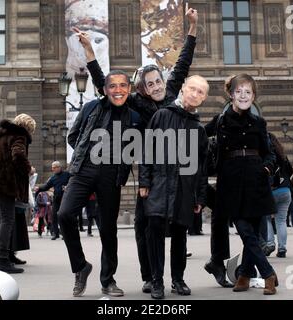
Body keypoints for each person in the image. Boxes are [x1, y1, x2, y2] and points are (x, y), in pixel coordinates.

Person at [76, 5, 199, 294]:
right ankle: (150, 277)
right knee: (146, 224)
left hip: (178, 167)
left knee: (179, 226)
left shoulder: (171, 95)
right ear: (142, 88)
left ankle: (177, 278)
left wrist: (192, 28)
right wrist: (90, 54)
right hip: (150, 172)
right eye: (150, 83)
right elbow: (104, 84)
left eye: (158, 81)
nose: (156, 86)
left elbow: (183, 62)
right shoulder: (135, 103)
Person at [58, 70, 141, 297]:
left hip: (111, 175)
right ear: (105, 90)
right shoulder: (90, 108)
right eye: (112, 86)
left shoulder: (134, 117)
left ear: (129, 89)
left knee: (108, 229)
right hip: (84, 170)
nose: (118, 90)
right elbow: (73, 136)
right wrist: (88, 153)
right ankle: (81, 267)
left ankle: (108, 280)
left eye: (123, 85)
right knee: (64, 215)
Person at [205, 74, 278, 295]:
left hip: (256, 181)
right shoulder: (220, 121)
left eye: (248, 92)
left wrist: (266, 168)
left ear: (253, 96)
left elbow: (270, 154)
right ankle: (268, 273)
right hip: (230, 181)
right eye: (239, 91)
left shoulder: (258, 122)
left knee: (252, 233)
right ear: (231, 94)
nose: (243, 95)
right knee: (245, 230)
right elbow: (195, 136)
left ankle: (245, 275)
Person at [139, 75, 209, 299]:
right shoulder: (161, 115)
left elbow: (201, 166)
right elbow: (147, 150)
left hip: (184, 188)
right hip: (159, 184)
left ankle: (178, 279)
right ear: (182, 89)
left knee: (180, 235)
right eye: (192, 89)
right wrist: (144, 181)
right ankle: (157, 281)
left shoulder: (198, 129)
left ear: (204, 98)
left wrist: (199, 197)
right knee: (155, 233)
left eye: (201, 92)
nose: (195, 94)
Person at [0, 113, 36, 273]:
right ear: (27, 128)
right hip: (5, 184)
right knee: (7, 220)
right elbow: (18, 154)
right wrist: (28, 169)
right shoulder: (19, 136)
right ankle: (3, 260)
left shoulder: (0, 136)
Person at [264, 132, 293, 258]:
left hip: (271, 191)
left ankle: (270, 243)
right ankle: (282, 249)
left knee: (266, 219)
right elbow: (290, 171)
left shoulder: (267, 156)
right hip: (285, 191)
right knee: (281, 221)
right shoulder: (283, 156)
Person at [34, 161, 71, 240]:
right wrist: (39, 188)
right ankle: (56, 234)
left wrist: (68, 186)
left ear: (59, 167)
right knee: (54, 216)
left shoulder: (67, 174)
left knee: (62, 216)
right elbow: (46, 186)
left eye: (54, 168)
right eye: (52, 168)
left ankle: (64, 234)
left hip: (65, 199)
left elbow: (74, 181)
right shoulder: (53, 178)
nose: (52, 169)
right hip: (56, 199)